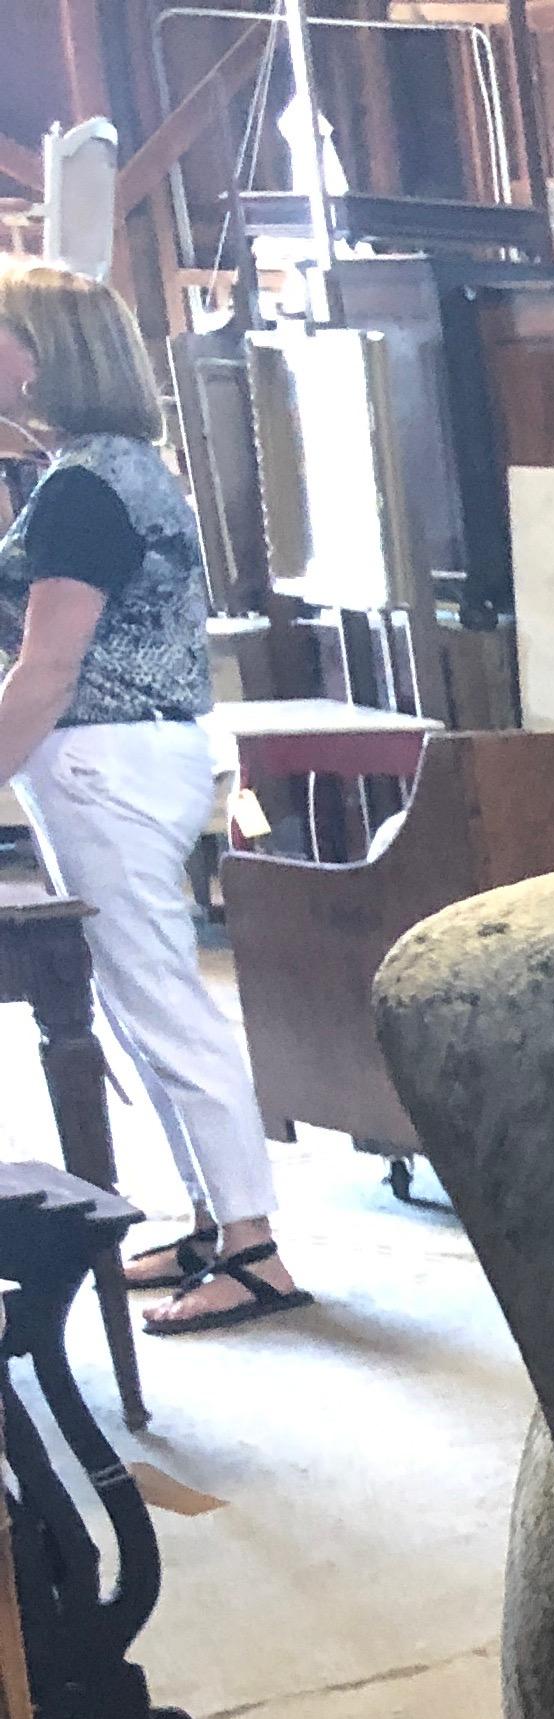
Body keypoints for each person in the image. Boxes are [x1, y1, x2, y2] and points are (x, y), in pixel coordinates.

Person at [0, 262, 307, 1333]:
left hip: (104, 762)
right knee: (138, 1003)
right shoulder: (116, 467)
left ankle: (255, 1243)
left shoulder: (81, 487)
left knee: (164, 1004)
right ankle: (204, 1224)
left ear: (43, 356)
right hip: (133, 757)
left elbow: (45, 672)